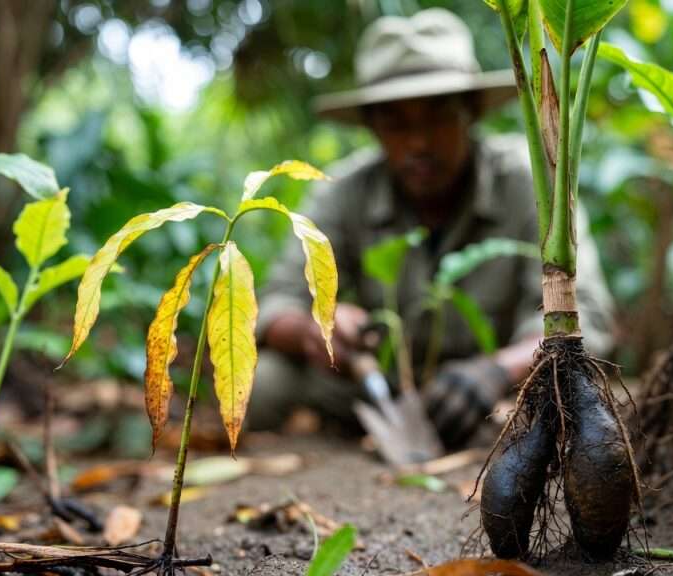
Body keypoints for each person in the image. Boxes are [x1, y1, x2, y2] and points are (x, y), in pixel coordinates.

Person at [246, 8, 613, 448]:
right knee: (263, 382)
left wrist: (496, 370)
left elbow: (587, 314)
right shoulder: (342, 193)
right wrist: (317, 327)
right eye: (396, 122)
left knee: (574, 400)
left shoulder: (528, 183)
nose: (418, 142)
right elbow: (273, 303)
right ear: (372, 127)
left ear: (471, 111)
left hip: (497, 393)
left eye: (438, 116)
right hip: (374, 396)